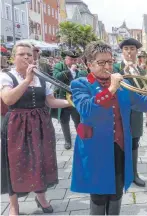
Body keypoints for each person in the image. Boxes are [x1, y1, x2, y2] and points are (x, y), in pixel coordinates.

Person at [70, 41, 147, 215]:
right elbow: (87, 110)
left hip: (120, 147)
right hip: (95, 149)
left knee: (116, 192)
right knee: (98, 194)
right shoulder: (80, 84)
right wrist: (111, 89)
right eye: (101, 63)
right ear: (89, 64)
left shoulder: (122, 85)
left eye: (110, 61)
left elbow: (141, 104)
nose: (107, 66)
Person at [0, 42, 71, 215]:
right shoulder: (6, 75)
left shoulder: (41, 76)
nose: (26, 57)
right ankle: (14, 205)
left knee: (41, 161)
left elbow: (51, 101)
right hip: (16, 126)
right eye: (21, 54)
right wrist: (26, 80)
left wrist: (71, 102)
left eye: (29, 55)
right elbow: (8, 99)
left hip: (41, 125)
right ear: (13, 57)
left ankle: (41, 197)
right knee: (14, 164)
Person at [113, 38, 147, 187]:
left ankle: (134, 174)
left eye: (132, 49)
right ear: (122, 51)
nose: (129, 52)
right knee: (118, 143)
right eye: (126, 49)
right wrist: (123, 73)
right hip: (119, 113)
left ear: (136, 51)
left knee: (134, 143)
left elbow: (145, 90)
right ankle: (119, 174)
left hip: (136, 113)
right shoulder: (115, 67)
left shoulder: (142, 70)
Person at [53, 50, 88, 150]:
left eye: (74, 59)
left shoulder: (79, 68)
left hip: (75, 100)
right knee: (64, 120)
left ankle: (81, 140)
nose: (73, 61)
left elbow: (84, 78)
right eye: (71, 59)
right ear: (66, 59)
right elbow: (56, 78)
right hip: (63, 98)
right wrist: (70, 71)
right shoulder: (59, 66)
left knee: (78, 120)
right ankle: (67, 141)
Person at [138, 51, 147, 128]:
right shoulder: (137, 66)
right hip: (140, 87)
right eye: (142, 57)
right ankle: (140, 120)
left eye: (145, 57)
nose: (143, 59)